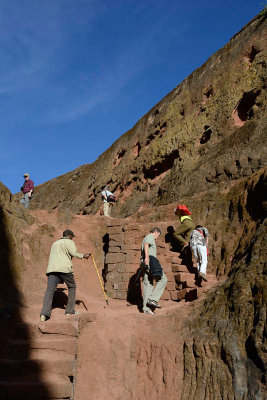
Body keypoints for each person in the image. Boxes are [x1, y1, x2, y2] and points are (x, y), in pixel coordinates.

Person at [40, 229, 91, 321]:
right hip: (64, 269)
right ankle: (69, 311)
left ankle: (44, 314)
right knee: (72, 287)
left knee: (49, 290)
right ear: (69, 235)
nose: (72, 238)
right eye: (72, 236)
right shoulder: (69, 242)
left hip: (52, 269)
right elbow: (73, 253)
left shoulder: (55, 243)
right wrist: (83, 256)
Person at [141, 227, 167, 314]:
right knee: (163, 279)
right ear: (155, 232)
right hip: (149, 262)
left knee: (148, 284)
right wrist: (147, 259)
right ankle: (153, 299)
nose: (157, 237)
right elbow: (146, 245)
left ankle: (146, 308)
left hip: (146, 262)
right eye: (158, 235)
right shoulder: (150, 236)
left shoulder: (146, 237)